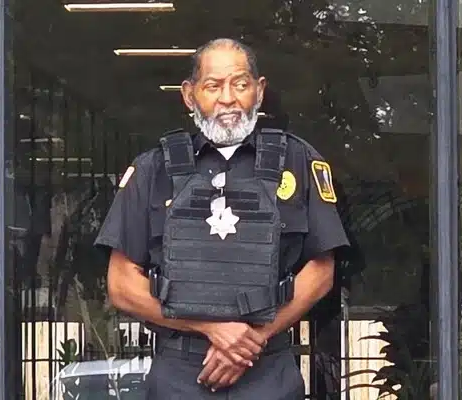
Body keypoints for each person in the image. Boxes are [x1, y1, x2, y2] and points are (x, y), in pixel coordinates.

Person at [95, 38, 350, 399]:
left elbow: (322, 271)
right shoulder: (154, 170)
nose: (228, 98)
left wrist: (251, 340)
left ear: (259, 91)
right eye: (213, 86)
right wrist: (211, 328)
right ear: (189, 95)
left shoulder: (297, 161)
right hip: (179, 375)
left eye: (241, 84)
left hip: (268, 371)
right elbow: (122, 284)